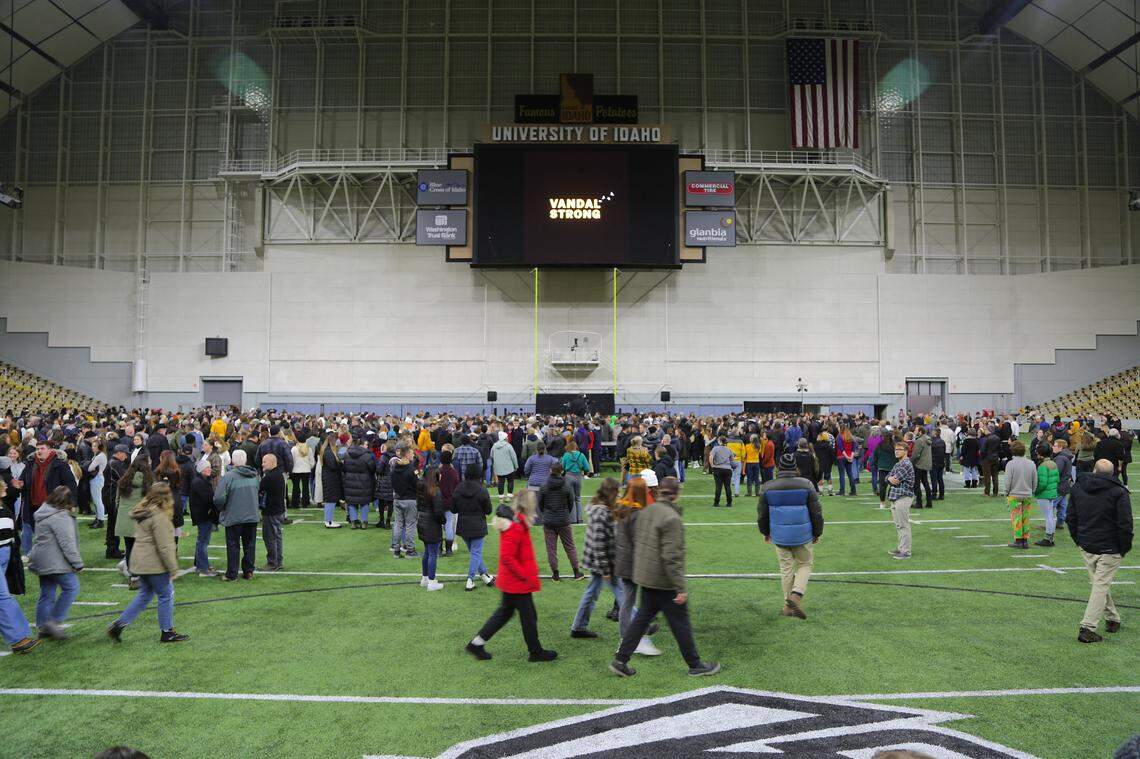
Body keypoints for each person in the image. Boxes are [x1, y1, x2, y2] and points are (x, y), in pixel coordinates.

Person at [609, 477, 719, 678]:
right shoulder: (671, 518)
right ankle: (695, 664)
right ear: (677, 494)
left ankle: (620, 659)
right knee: (680, 623)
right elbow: (672, 556)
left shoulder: (647, 511)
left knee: (641, 620)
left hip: (646, 576)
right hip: (663, 580)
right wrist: (680, 587)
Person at [465, 491, 557, 663]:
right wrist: (523, 575)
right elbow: (507, 557)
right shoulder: (515, 526)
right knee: (528, 617)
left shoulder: (517, 523)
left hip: (513, 581)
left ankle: (477, 644)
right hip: (516, 582)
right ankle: (535, 651)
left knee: (506, 613)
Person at [107, 482, 188, 643]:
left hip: (140, 561)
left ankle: (119, 624)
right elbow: (164, 546)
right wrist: (173, 568)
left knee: (144, 595)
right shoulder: (160, 516)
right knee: (166, 594)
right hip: (154, 563)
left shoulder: (144, 512)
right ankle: (167, 631)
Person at [1067, 459, 1132, 643]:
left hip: (1088, 544)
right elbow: (1125, 523)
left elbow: (1072, 518)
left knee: (1099, 583)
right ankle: (1088, 627)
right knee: (1100, 584)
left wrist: (1079, 540)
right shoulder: (1118, 491)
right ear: (1113, 473)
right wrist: (1124, 546)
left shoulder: (1079, 487)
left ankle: (1112, 618)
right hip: (1109, 546)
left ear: (1095, 470)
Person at [758, 452, 824, 620]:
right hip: (802, 535)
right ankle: (795, 596)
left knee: (786, 569)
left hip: (779, 535)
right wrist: (817, 532)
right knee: (805, 565)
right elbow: (816, 512)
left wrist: (765, 532)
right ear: (796, 468)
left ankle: (788, 605)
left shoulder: (767, 486)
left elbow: (762, 514)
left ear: (778, 467)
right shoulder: (806, 484)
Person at [27, 486, 83, 639]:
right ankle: (54, 621)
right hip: (55, 561)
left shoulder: (43, 512)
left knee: (46, 593)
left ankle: (43, 626)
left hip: (41, 559)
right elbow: (67, 543)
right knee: (72, 588)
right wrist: (78, 563)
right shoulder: (60, 516)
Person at [612, 477, 660, 657]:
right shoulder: (637, 513)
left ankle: (632, 636)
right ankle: (633, 638)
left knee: (628, 602)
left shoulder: (622, 507)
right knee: (641, 602)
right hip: (636, 564)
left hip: (624, 562)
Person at [570, 477, 621, 638]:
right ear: (611, 493)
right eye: (617, 493)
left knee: (591, 593)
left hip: (599, 561)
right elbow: (599, 543)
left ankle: (578, 627)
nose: (619, 496)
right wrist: (606, 569)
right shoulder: (600, 512)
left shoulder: (601, 508)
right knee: (622, 594)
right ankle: (639, 626)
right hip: (602, 562)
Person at [0, 476, 38, 653]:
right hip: (4, 554)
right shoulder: (4, 510)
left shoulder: (4, 508)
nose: (5, 485)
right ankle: (18, 638)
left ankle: (18, 637)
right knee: (3, 598)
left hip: (5, 555)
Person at [213, 448, 260, 581]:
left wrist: (222, 509)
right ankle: (248, 571)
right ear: (245, 460)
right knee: (250, 545)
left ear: (233, 461)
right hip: (251, 515)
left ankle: (232, 574)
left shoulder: (229, 477)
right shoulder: (254, 475)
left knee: (233, 545)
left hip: (234, 516)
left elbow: (218, 498)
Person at [537, 463, 582, 581]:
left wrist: (547, 513)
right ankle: (576, 572)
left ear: (550, 470)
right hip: (563, 520)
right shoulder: (566, 485)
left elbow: (540, 504)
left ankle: (555, 574)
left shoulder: (544, 486)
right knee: (570, 546)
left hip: (549, 521)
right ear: (561, 471)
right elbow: (571, 503)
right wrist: (565, 513)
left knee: (551, 548)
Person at [453, 463, 494, 591]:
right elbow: (488, 510)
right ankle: (470, 579)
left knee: (475, 552)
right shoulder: (482, 489)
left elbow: (453, 509)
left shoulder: (459, 488)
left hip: (463, 525)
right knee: (476, 553)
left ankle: (485, 575)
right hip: (478, 525)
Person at [1004, 440, 1038, 550]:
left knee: (1016, 517)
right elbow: (1035, 480)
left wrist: (1006, 492)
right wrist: (1032, 490)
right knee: (1025, 517)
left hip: (1014, 494)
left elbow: (1008, 481)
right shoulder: (1031, 463)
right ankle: (1025, 540)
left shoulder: (1011, 464)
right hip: (1027, 494)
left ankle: (1018, 540)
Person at [416, 467, 446, 591]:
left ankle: (425, 578)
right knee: (433, 553)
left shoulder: (421, 488)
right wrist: (443, 521)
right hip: (431, 524)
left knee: (427, 552)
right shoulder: (435, 491)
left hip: (422, 522)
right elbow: (438, 512)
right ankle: (432, 581)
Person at [188, 458, 218, 577]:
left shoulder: (201, 481)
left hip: (203, 514)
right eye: (207, 467)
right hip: (203, 515)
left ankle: (200, 563)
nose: (209, 469)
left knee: (202, 540)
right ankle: (202, 568)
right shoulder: (199, 482)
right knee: (203, 541)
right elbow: (208, 499)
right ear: (201, 470)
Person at [885, 442, 915, 559]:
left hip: (903, 497)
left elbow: (895, 479)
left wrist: (890, 479)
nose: (896, 451)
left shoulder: (906, 464)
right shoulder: (898, 464)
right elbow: (888, 477)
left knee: (903, 525)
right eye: (895, 449)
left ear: (906, 451)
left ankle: (906, 551)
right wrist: (890, 478)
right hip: (895, 498)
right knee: (898, 525)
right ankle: (901, 548)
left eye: (899, 449)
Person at [389, 445, 419, 558]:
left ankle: (396, 550)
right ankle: (410, 550)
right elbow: (417, 485)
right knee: (410, 525)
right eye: (411, 453)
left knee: (398, 524)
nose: (413, 455)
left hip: (398, 499)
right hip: (410, 500)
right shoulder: (411, 470)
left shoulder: (394, 469)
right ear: (406, 454)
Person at [258, 453, 286, 571]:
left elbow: (259, 490)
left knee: (270, 537)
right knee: (277, 536)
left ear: (273, 463)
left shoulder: (269, 477)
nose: (262, 464)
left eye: (265, 462)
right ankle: (278, 561)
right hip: (278, 510)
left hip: (271, 511)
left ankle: (272, 562)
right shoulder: (279, 474)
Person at [342, 437, 376, 530]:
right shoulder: (367, 456)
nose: (367, 446)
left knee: (352, 503)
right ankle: (364, 522)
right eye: (366, 444)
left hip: (350, 483)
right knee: (364, 503)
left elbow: (344, 469)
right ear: (361, 445)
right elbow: (373, 468)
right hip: (364, 483)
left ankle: (353, 522)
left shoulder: (347, 454)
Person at [1033, 443, 1060, 547]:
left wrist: (1036, 491)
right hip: (1052, 493)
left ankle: (1048, 538)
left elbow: (1042, 483)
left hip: (1044, 494)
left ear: (1040, 454)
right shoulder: (1053, 463)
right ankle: (1050, 537)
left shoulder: (1042, 466)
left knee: (1048, 516)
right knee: (1050, 516)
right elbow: (1057, 479)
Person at [560, 439, 591, 524]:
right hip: (578, 476)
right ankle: (580, 518)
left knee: (571, 498)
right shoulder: (581, 455)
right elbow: (587, 468)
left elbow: (562, 466)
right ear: (576, 447)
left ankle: (572, 519)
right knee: (578, 498)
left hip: (568, 476)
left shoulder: (566, 455)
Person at [318, 433, 344, 529]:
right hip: (330, 478)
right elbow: (332, 465)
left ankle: (328, 520)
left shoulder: (326, 450)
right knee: (330, 500)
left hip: (330, 477)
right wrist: (340, 464)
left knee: (330, 499)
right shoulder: (329, 452)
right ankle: (328, 521)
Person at [490, 431, 518, 502]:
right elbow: (513, 457)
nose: (508, 438)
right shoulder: (508, 446)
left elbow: (491, 456)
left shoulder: (494, 446)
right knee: (510, 481)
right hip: (509, 467)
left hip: (499, 468)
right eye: (506, 437)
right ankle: (509, 497)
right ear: (504, 438)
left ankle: (501, 498)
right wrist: (516, 466)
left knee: (501, 482)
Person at [87, 436, 108, 529]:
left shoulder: (100, 456)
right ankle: (98, 519)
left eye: (94, 446)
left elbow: (89, 468)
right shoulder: (99, 455)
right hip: (97, 478)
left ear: (99, 447)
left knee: (97, 501)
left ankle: (100, 521)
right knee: (96, 501)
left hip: (97, 479)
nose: (92, 448)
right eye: (92, 446)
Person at [708, 436, 734, 507]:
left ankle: (716, 502)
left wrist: (712, 465)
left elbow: (711, 457)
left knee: (718, 486)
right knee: (727, 486)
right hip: (727, 469)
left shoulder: (715, 448)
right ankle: (729, 502)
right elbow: (732, 459)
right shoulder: (729, 449)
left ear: (720, 441)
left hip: (718, 468)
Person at [910, 425, 933, 508]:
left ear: (920, 432)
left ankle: (919, 502)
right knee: (925, 483)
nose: (915, 432)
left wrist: (910, 461)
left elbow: (915, 454)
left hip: (919, 464)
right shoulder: (927, 439)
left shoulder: (919, 440)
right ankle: (929, 502)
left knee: (916, 484)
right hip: (926, 464)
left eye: (916, 430)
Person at [289, 437, 314, 509]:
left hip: (296, 470)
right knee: (305, 486)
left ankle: (295, 503)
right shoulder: (308, 449)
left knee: (295, 487)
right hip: (306, 470)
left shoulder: (294, 449)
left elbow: (291, 460)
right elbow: (312, 461)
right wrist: (309, 467)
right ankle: (305, 502)